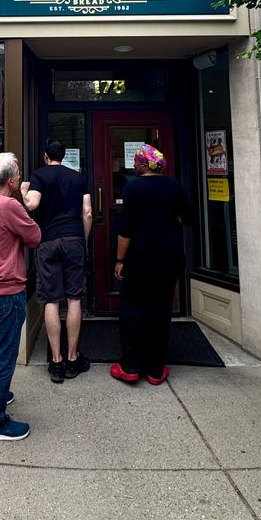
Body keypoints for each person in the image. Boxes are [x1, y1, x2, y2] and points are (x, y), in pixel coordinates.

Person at [110, 144, 193, 386]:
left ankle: (131, 367)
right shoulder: (174, 185)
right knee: (161, 311)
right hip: (170, 260)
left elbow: (126, 230)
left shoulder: (133, 187)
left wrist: (119, 260)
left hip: (139, 259)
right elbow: (187, 216)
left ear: (145, 164)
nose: (133, 164)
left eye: (136, 161)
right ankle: (156, 370)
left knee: (132, 310)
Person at [0, 152, 41, 442]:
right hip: (7, 290)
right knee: (5, 354)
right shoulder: (8, 204)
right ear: (12, 180)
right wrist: (26, 202)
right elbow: (34, 236)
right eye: (18, 174)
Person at [21, 138, 92, 383]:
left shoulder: (39, 175)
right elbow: (88, 213)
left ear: (45, 156)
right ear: (64, 156)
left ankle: (57, 361)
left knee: (51, 300)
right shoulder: (77, 178)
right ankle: (73, 358)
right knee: (74, 299)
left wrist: (22, 191)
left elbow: (33, 203)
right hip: (74, 239)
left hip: (48, 241)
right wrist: (82, 240)